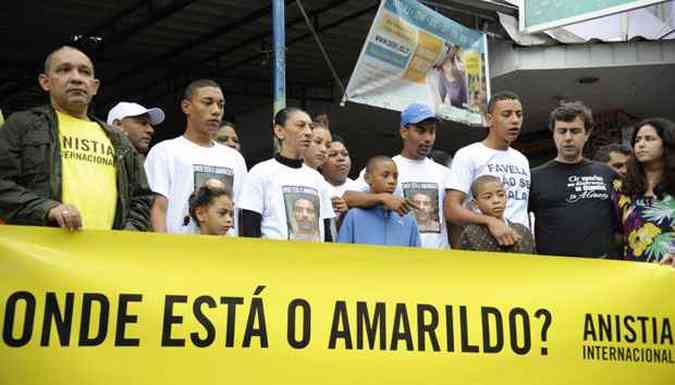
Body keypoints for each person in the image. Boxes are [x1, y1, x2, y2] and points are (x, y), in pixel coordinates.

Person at [0, 46, 152, 231]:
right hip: (43, 253)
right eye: (64, 70)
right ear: (45, 82)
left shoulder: (118, 140)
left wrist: (128, 233)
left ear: (94, 86)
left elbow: (141, 198)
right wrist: (48, 209)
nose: (76, 78)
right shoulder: (22, 126)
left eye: (84, 72)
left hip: (106, 255)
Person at [145, 79, 247, 234]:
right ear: (186, 107)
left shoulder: (235, 158)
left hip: (227, 253)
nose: (216, 111)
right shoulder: (164, 152)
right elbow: (157, 208)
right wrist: (163, 251)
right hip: (180, 252)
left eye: (221, 105)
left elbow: (241, 211)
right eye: (207, 103)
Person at [345, 103, 452, 249]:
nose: (428, 138)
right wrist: (383, 198)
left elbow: (453, 222)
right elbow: (348, 197)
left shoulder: (445, 173)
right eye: (420, 131)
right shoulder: (386, 168)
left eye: (432, 132)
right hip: (400, 261)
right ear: (403, 132)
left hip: (438, 262)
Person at [529, 102, 618, 258]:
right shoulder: (533, 177)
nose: (568, 138)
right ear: (554, 134)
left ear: (587, 134)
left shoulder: (607, 174)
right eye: (562, 131)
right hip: (554, 271)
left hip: (603, 268)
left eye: (575, 131)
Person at [445, 91, 530, 247]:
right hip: (484, 246)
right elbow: (451, 209)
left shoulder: (522, 160)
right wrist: (490, 221)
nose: (515, 120)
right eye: (507, 114)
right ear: (489, 119)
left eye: (519, 115)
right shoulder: (468, 154)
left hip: (520, 245)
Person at [238, 107, 335, 241]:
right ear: (279, 131)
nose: (308, 132)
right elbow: (250, 224)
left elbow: (326, 228)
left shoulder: (317, 179)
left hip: (313, 259)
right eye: (301, 126)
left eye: (310, 127)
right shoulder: (260, 172)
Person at [613, 118, 675, 265]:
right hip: (635, 277)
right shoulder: (622, 189)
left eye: (649, 139)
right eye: (637, 140)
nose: (641, 144)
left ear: (667, 144)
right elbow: (615, 235)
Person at [338, 156, 421, 247]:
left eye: (395, 177)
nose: (392, 181)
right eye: (385, 175)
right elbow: (342, 252)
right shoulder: (354, 215)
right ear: (367, 178)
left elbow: (417, 256)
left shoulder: (407, 218)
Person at [458, 175, 534, 253]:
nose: (496, 201)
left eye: (501, 195)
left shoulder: (523, 230)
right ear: (475, 204)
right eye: (488, 197)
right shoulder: (471, 233)